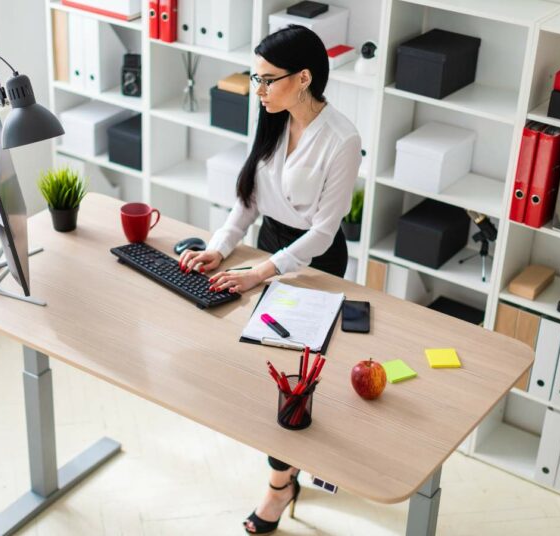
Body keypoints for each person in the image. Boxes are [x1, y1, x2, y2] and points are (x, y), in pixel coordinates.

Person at [178, 24, 362, 534]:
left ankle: (279, 487)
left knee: (291, 385)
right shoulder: (271, 118)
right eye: (254, 78)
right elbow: (247, 202)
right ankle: (289, 467)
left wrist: (258, 273)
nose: (256, 90)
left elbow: (324, 232)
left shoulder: (342, 138)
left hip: (314, 263)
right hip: (265, 248)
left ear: (303, 78)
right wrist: (218, 249)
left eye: (266, 80)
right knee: (265, 372)